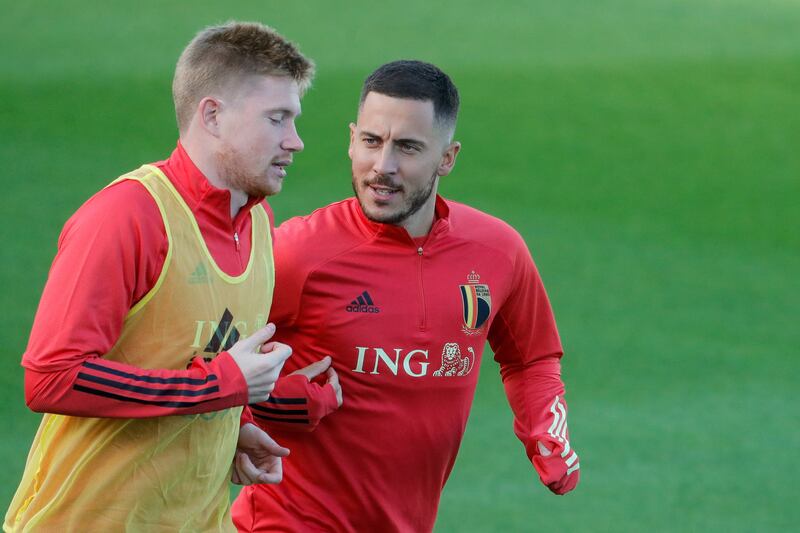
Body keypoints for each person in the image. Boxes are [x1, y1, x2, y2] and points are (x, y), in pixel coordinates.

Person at [232, 60, 581, 532]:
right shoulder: (295, 254)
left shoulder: (498, 252)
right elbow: (204, 365)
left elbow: (531, 357)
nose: (384, 167)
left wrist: (546, 430)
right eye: (372, 142)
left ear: (448, 157)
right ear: (351, 138)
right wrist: (272, 403)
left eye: (409, 148)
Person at [5, 22, 314, 532]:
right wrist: (218, 389)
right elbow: (52, 377)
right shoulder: (128, 217)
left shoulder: (257, 223)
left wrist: (237, 424)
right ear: (212, 115)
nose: (295, 141)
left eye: (294, 119)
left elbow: (203, 358)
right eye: (276, 119)